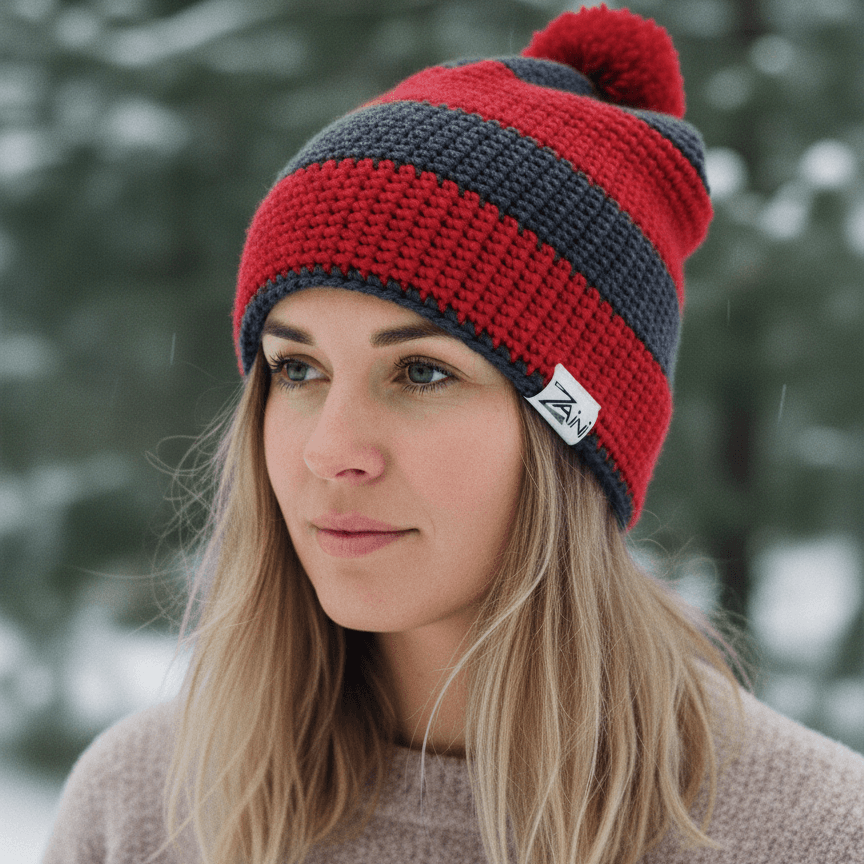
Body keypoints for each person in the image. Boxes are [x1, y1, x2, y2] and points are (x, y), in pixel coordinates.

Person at [42, 6, 864, 864]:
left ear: (573, 431)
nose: (331, 449)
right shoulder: (145, 806)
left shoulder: (812, 836)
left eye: (422, 372)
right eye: (298, 369)